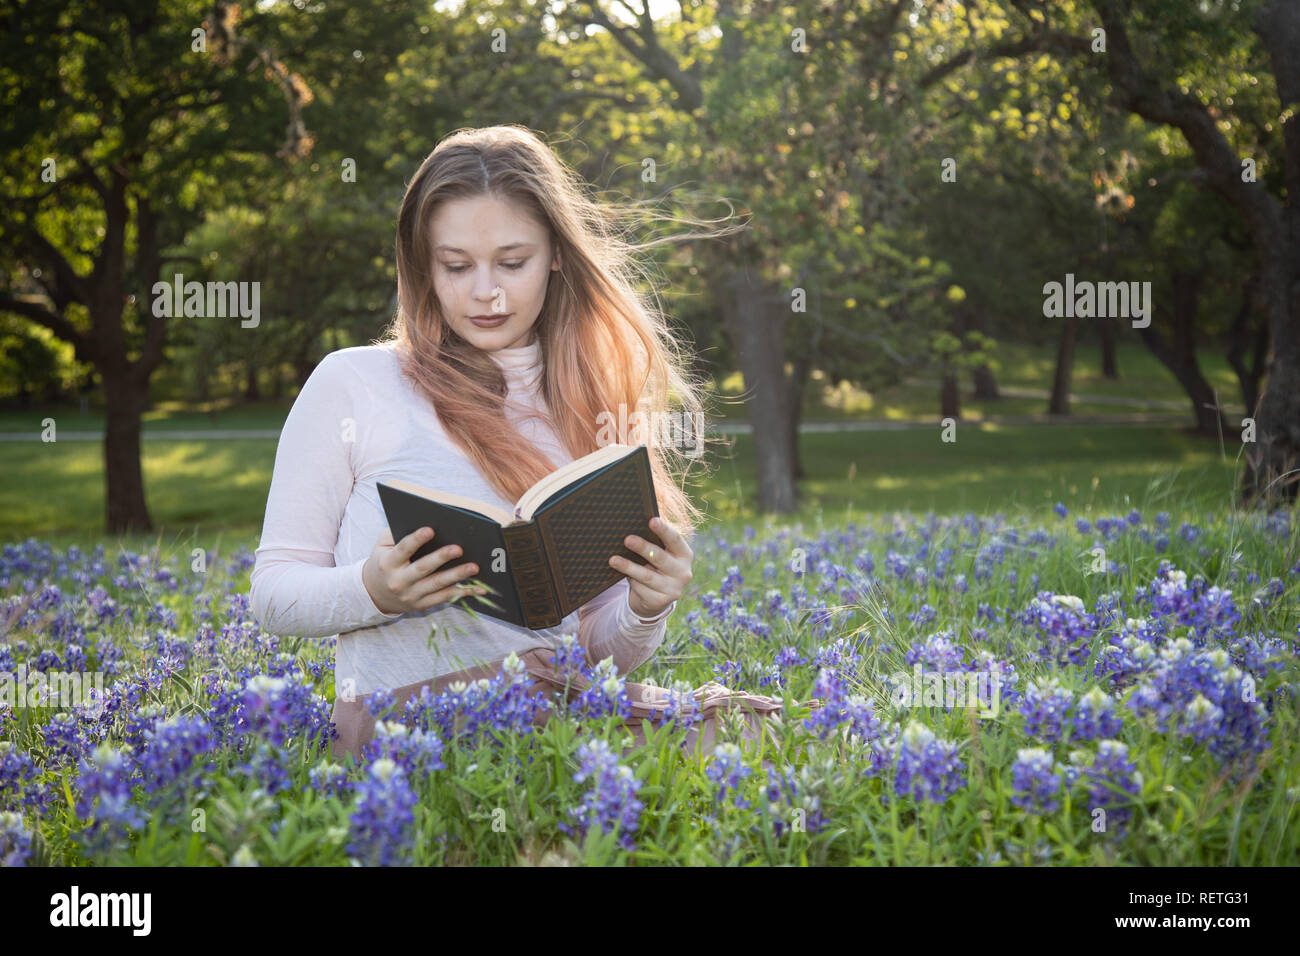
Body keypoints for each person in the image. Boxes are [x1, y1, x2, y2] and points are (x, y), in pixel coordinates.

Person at [250, 125, 805, 764]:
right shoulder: (354, 383)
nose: (486, 291)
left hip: (554, 710)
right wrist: (375, 591)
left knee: (767, 734)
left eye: (513, 263)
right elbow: (274, 594)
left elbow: (597, 649)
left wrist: (645, 609)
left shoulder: (590, 400)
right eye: (456, 265)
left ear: (556, 255)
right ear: (423, 265)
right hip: (406, 732)